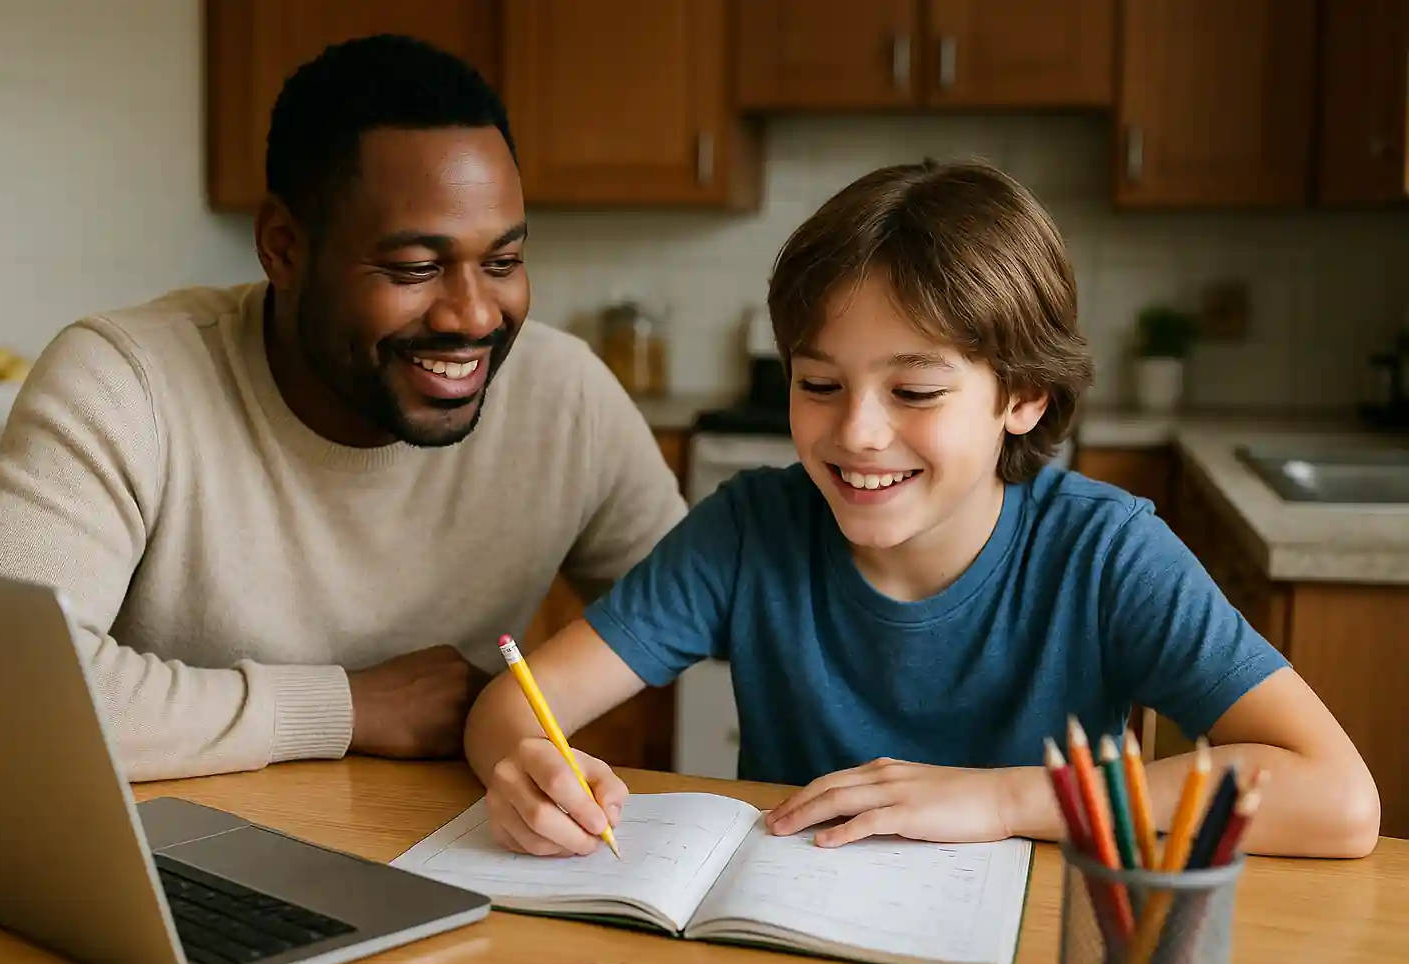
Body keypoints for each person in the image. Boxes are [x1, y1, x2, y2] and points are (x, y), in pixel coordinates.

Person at [463, 159, 1381, 861]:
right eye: (819, 382)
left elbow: (1338, 798)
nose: (857, 432)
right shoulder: (751, 530)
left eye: (915, 391)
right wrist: (528, 768)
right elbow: (511, 706)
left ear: (1023, 396)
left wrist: (1006, 801)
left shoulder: (1107, 553)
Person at [0, 34, 685, 783]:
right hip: (168, 863)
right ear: (284, 247)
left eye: (503, 263)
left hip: (441, 850)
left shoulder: (566, 395)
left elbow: (711, 607)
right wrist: (349, 707)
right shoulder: (125, 381)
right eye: (415, 267)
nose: (472, 315)